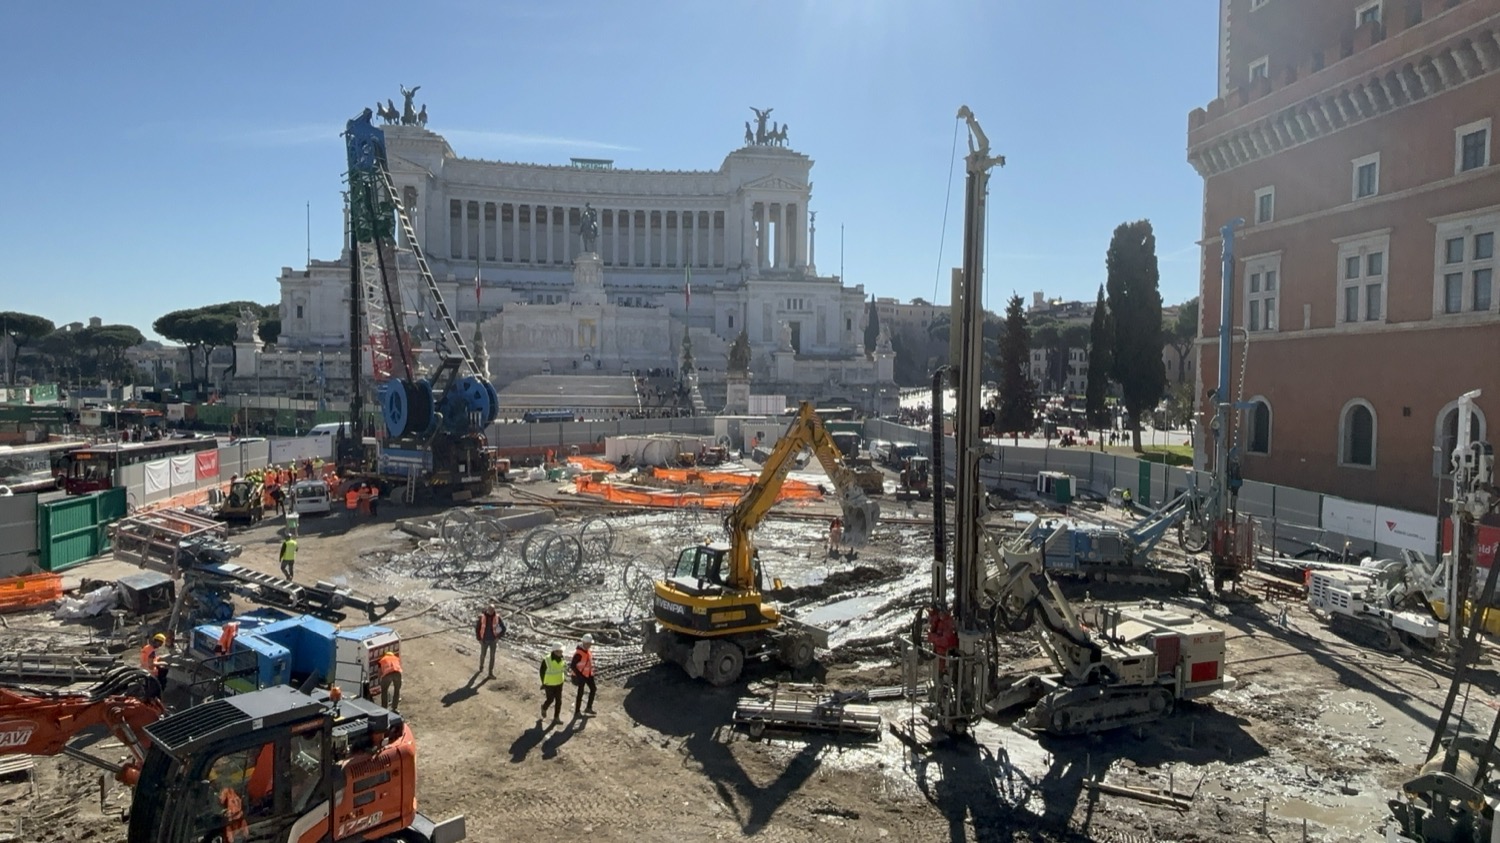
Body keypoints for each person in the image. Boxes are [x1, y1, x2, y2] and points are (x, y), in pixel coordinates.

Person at [475, 604, 506, 677]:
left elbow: (503, 628)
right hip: (484, 640)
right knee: (483, 655)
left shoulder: (497, 617)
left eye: (492, 610)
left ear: (494, 610)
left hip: (493, 641)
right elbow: (477, 628)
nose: (491, 611)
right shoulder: (482, 617)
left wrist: (498, 637)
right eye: (490, 609)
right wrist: (479, 639)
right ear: (487, 609)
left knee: (492, 657)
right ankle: (481, 666)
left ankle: (490, 673)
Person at [539, 643, 567, 724]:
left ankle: (556, 718)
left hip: (559, 683)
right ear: (556, 651)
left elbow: (562, 668)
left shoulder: (562, 658)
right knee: (550, 699)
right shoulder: (547, 660)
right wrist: (543, 683)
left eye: (562, 651)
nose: (562, 653)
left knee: (559, 701)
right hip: (549, 684)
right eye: (560, 651)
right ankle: (544, 708)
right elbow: (542, 672)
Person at [571, 634, 596, 717]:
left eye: (590, 644)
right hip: (581, 676)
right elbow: (572, 665)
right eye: (588, 644)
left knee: (593, 689)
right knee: (580, 693)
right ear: (584, 643)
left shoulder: (587, 651)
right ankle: (577, 712)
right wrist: (579, 675)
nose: (590, 645)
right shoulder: (579, 653)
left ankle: (588, 708)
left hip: (588, 675)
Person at [377, 648, 403, 713]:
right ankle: (394, 708)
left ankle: (384, 707)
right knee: (397, 690)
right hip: (397, 673)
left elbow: (379, 671)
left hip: (387, 674)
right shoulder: (396, 658)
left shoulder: (382, 659)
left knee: (384, 691)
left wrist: (379, 679)